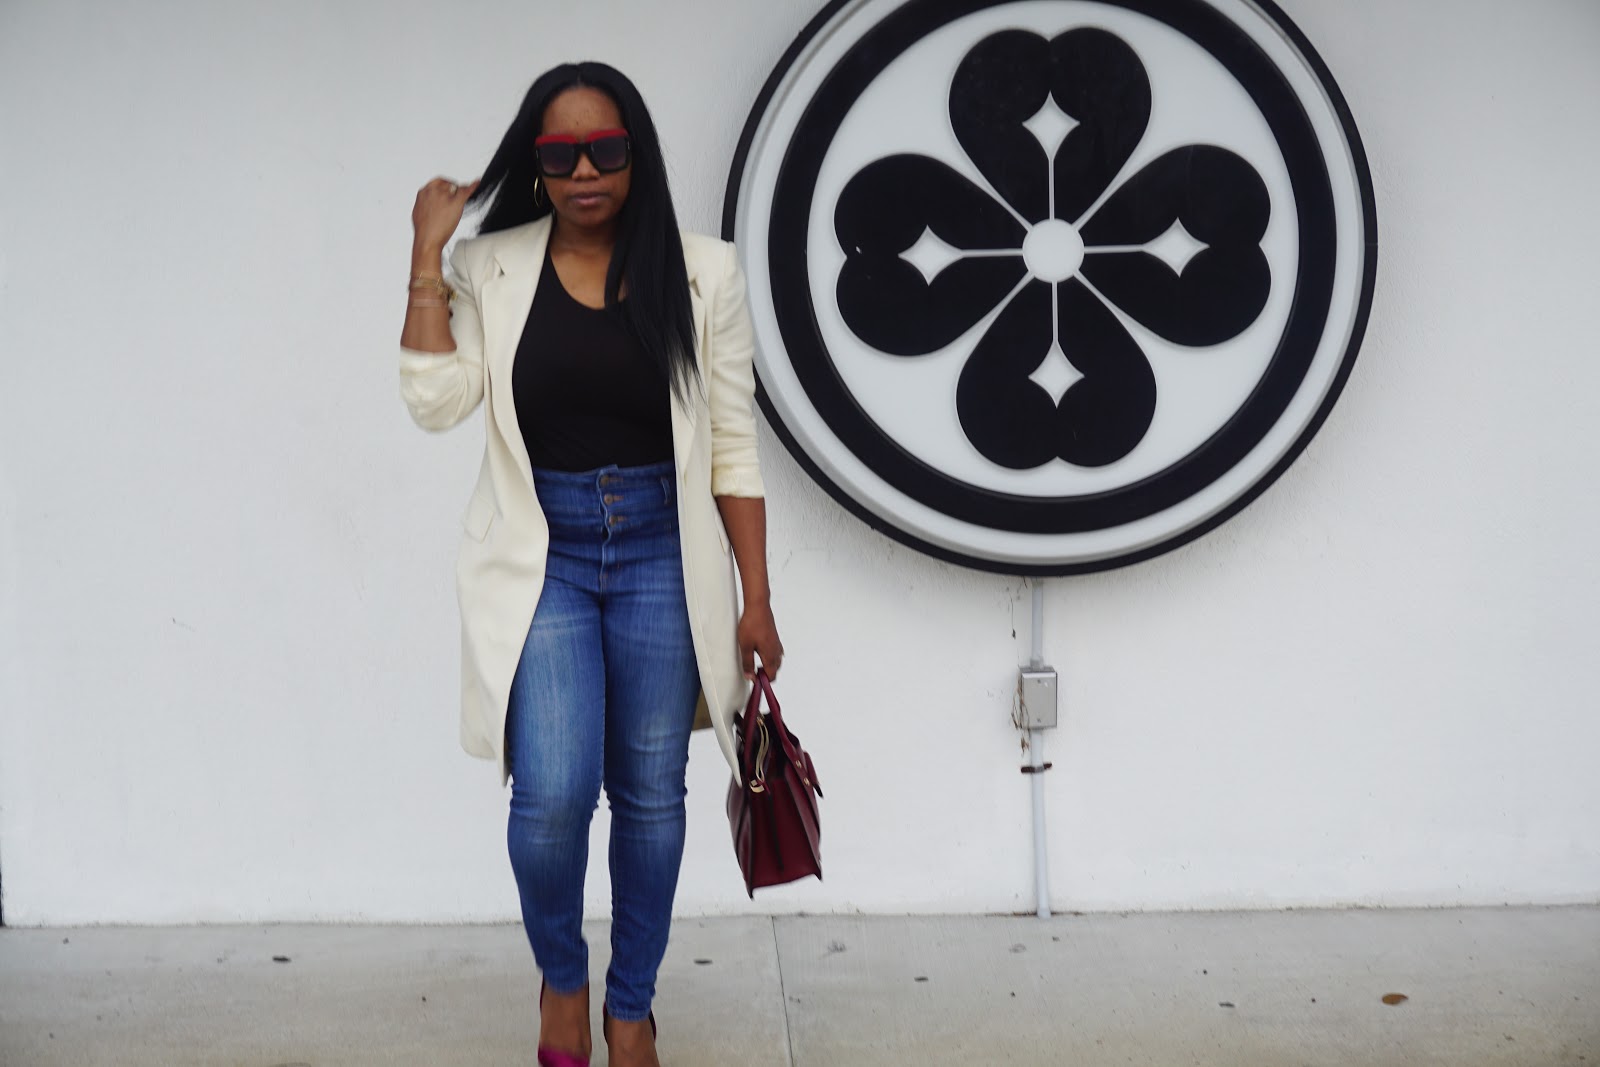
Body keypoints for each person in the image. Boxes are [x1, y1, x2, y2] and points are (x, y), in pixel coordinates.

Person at [397, 61, 782, 1067]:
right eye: (561, 154)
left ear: (634, 155)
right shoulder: (489, 265)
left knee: (651, 793)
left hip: (663, 548)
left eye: (604, 150)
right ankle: (562, 983)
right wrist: (428, 253)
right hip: (546, 554)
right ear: (536, 163)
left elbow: (732, 447)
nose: (583, 173)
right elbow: (435, 401)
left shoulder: (703, 273)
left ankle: (632, 1008)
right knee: (551, 797)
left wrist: (756, 598)